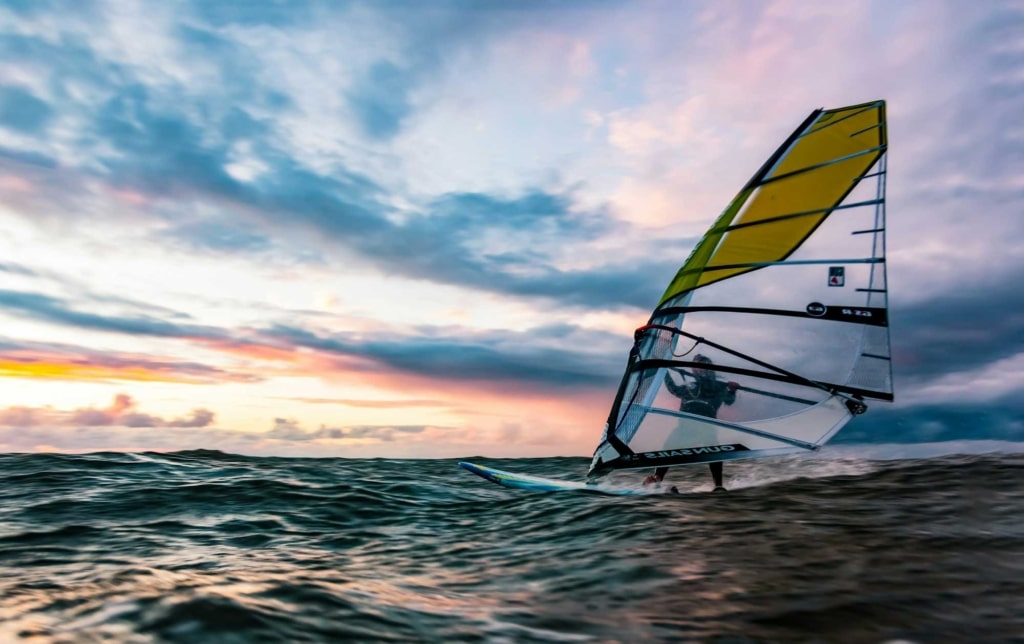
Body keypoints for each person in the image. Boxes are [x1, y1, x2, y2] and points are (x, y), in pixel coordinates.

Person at [643, 354, 739, 491]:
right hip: (685, 427)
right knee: (668, 446)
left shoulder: (719, 387)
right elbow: (674, 389)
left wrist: (732, 391)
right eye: (695, 368)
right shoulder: (690, 385)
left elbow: (728, 401)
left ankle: (718, 486)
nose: (697, 370)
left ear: (708, 369)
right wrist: (664, 373)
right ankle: (657, 478)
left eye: (701, 367)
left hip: (706, 426)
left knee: (713, 449)